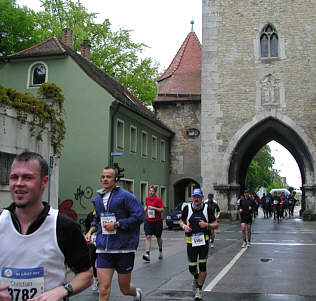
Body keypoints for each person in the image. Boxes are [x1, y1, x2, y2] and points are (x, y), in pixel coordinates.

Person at [0, 151, 93, 301]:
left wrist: (64, 290)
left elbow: (87, 275)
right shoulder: (1, 222)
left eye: (28, 177)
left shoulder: (64, 227)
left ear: (44, 182)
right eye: (14, 177)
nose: (19, 183)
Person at [85, 166, 144, 301]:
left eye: (109, 177)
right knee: (103, 289)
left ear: (115, 179)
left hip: (123, 248)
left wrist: (117, 224)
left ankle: (136, 294)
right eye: (103, 177)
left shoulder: (126, 197)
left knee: (124, 289)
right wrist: (90, 231)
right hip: (103, 248)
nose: (105, 179)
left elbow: (139, 216)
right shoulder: (98, 199)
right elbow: (97, 219)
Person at [179, 188, 218, 300]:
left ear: (202, 198)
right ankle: (196, 277)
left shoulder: (207, 209)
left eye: (198, 197)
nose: (196, 199)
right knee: (192, 268)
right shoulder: (187, 208)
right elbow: (181, 221)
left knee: (202, 266)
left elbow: (216, 224)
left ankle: (199, 290)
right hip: (191, 242)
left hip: (203, 242)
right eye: (194, 197)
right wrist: (184, 226)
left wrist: (207, 225)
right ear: (192, 198)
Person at [142, 185, 164, 262]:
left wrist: (154, 208)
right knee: (148, 236)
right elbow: (146, 205)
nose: (151, 192)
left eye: (152, 191)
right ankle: (147, 254)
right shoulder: (147, 198)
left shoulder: (158, 199)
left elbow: (161, 209)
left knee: (158, 237)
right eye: (150, 191)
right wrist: (145, 208)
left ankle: (160, 251)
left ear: (155, 192)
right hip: (148, 220)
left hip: (157, 221)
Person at [85, 206, 98, 291]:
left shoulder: (104, 215)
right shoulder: (90, 215)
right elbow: (87, 227)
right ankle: (95, 278)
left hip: (102, 243)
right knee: (91, 261)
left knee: (101, 263)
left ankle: (101, 280)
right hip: (91, 243)